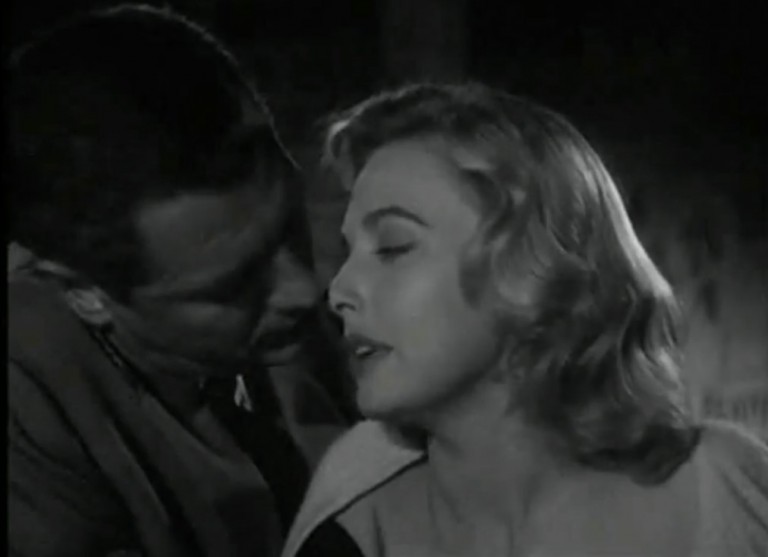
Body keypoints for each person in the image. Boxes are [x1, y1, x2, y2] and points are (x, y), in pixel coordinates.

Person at [282, 83, 768, 557]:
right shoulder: (351, 529)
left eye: (392, 246)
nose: (338, 291)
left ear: (530, 263)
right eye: (347, 252)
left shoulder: (733, 492)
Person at [7, 6, 352, 557]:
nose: (305, 290)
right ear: (85, 293)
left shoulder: (299, 328)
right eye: (234, 286)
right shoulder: (28, 405)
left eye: (289, 226)